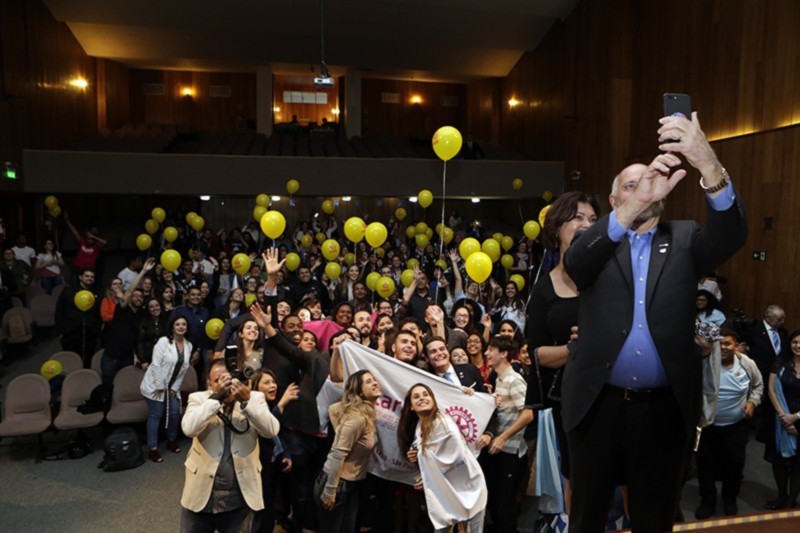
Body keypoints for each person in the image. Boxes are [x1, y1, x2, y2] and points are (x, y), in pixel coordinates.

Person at [561, 112, 748, 532]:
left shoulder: (684, 238)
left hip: (663, 412)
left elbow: (732, 235)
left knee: (655, 519)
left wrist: (707, 162)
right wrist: (633, 206)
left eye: (649, 182)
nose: (644, 188)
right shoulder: (594, 242)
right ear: (614, 202)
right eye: (630, 186)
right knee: (587, 518)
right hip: (597, 407)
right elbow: (576, 264)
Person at [526, 191, 599, 514]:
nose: (587, 225)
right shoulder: (544, 289)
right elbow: (537, 354)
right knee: (578, 480)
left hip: (615, 391)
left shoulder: (612, 276)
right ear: (557, 229)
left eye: (593, 219)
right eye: (578, 217)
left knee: (624, 478)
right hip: (570, 400)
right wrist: (574, 349)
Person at [180, 358, 280, 532]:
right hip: (200, 494)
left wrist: (246, 402)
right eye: (218, 380)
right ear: (209, 383)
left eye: (229, 379)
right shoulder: (199, 398)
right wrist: (215, 398)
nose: (225, 384)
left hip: (239, 498)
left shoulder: (254, 398)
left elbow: (271, 430)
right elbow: (189, 428)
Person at [398, 383, 488, 533]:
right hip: (443, 489)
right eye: (416, 397)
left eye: (426, 394)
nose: (422, 398)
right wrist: (417, 459)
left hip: (468, 484)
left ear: (433, 400)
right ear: (411, 406)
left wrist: (428, 475)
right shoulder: (418, 428)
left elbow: (453, 457)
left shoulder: (443, 423)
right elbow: (431, 458)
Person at [695, 328, 762, 518]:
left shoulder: (746, 363)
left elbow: (758, 385)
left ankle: (729, 498)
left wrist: (752, 402)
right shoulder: (704, 362)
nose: (723, 347)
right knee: (705, 466)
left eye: (727, 343)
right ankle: (707, 501)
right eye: (719, 343)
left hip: (736, 427)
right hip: (707, 426)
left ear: (736, 345)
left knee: (734, 465)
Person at [314, 370, 382, 533]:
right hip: (336, 484)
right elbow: (338, 455)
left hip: (351, 484)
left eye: (374, 380)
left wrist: (340, 431)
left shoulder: (367, 413)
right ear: (359, 391)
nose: (374, 383)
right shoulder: (357, 419)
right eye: (368, 382)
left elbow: (334, 408)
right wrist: (330, 491)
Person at [483, 336, 531, 533]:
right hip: (499, 451)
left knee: (506, 503)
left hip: (511, 452)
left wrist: (502, 437)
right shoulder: (498, 379)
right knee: (496, 499)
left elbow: (528, 414)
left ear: (503, 354)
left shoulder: (514, 379)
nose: (486, 353)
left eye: (491, 350)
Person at [140, 315, 193, 463]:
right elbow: (156, 365)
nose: (181, 327)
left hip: (172, 387)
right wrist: (159, 386)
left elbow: (183, 369)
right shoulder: (163, 342)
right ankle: (153, 449)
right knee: (156, 415)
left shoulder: (189, 345)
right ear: (172, 327)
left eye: (184, 324)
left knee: (175, 412)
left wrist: (175, 388)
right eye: (177, 324)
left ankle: (171, 440)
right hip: (155, 386)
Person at [101, 258, 155, 385]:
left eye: (141, 297)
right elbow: (129, 291)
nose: (138, 298)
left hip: (127, 358)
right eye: (135, 296)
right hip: (112, 357)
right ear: (129, 299)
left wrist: (135, 355)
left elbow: (136, 338)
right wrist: (143, 271)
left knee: (126, 387)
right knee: (108, 388)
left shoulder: (141, 314)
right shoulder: (122, 308)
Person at [764, 329, 800, 510]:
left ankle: (791, 500)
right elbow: (771, 389)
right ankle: (781, 496)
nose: (798, 346)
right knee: (778, 461)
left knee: (798, 464)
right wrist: (784, 417)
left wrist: (795, 417)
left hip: (798, 418)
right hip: (779, 419)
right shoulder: (780, 363)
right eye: (795, 342)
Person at [55, 268, 102, 367]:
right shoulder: (68, 292)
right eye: (87, 276)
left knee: (88, 360)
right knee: (71, 360)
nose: (89, 278)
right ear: (80, 277)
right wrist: (60, 331)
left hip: (90, 333)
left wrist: (96, 329)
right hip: (70, 332)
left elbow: (99, 313)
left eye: (92, 277)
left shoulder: (98, 293)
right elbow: (59, 312)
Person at [137, 297, 168, 368]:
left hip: (164, 357)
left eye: (157, 305)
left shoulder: (166, 320)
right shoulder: (144, 322)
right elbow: (140, 342)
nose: (155, 308)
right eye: (151, 307)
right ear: (148, 309)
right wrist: (143, 360)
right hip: (149, 357)